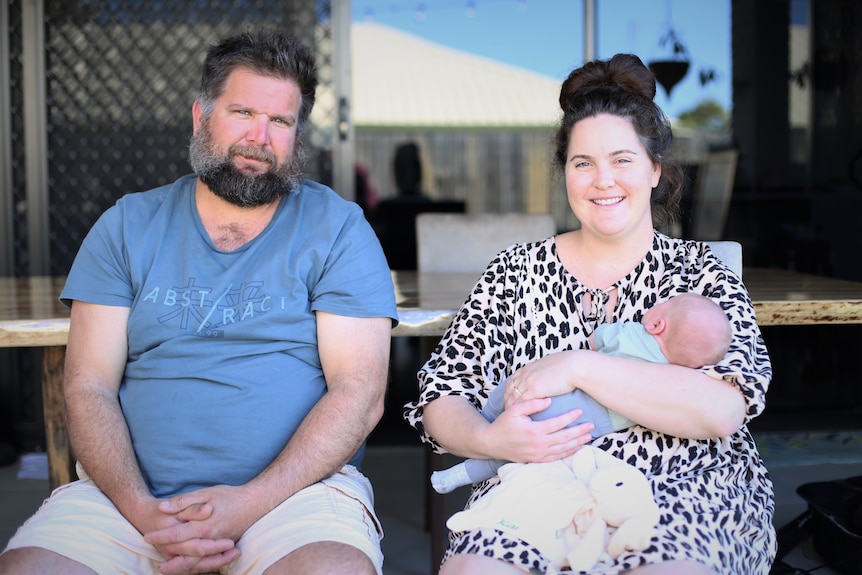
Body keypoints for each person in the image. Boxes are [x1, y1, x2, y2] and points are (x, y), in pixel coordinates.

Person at [0, 29, 397, 575]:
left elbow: (360, 391)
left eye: (280, 121)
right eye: (242, 112)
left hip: (293, 497)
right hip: (128, 500)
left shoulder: (337, 228)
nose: (260, 137)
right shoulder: (127, 225)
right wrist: (143, 512)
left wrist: (247, 504)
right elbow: (87, 384)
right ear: (201, 117)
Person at [404, 53, 776, 575]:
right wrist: (490, 440)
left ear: (655, 169)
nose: (604, 181)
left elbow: (721, 411)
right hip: (536, 494)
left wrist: (580, 367)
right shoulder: (515, 271)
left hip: (683, 488)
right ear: (565, 173)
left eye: (622, 159)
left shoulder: (700, 274)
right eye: (584, 163)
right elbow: (442, 396)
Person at [430, 292, 732, 494]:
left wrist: (578, 362)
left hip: (555, 403)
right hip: (591, 430)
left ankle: (483, 429)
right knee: (529, 452)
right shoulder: (678, 373)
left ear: (657, 323)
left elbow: (596, 338)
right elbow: (442, 389)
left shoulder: (633, 332)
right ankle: (462, 473)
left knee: (511, 413)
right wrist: (487, 441)